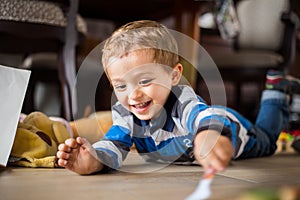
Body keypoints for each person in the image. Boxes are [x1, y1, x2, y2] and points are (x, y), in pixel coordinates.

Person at [56, 20, 298, 175]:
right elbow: (114, 145)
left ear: (173, 75)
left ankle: (276, 92)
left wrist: (208, 136)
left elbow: (205, 116)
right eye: (121, 86)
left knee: (266, 141)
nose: (133, 95)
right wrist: (95, 159)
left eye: (144, 81)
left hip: (227, 127)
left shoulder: (181, 100)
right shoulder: (125, 113)